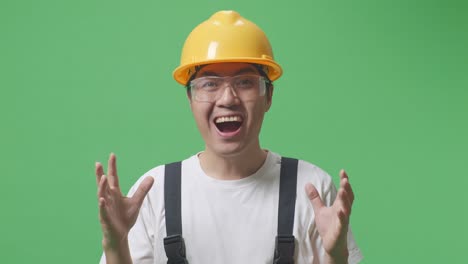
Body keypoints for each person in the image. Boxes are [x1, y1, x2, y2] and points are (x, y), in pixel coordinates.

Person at [95, 10, 363, 264]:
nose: (227, 99)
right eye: (209, 84)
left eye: (245, 82)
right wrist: (116, 244)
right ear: (190, 98)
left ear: (268, 96)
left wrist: (337, 255)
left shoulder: (312, 189)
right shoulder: (155, 193)